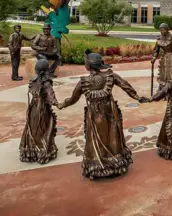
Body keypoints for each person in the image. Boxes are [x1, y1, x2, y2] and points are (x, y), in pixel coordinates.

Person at [58, 51, 150, 180]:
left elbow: (73, 99)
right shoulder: (111, 76)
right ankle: (115, 161)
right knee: (112, 134)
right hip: (110, 112)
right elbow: (126, 86)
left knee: (96, 137)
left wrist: (62, 104)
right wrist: (137, 97)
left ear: (88, 66)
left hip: (94, 115)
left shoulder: (84, 82)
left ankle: (98, 164)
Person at [19, 59, 59, 164]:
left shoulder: (33, 80)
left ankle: (31, 150)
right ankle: (43, 150)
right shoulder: (46, 82)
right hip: (42, 109)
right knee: (43, 128)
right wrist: (57, 103)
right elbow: (51, 96)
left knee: (32, 127)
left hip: (33, 108)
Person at [151, 23, 172, 94]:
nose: (162, 31)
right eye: (161, 30)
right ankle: (163, 89)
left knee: (171, 74)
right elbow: (156, 50)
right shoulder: (159, 38)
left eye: (164, 30)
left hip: (171, 57)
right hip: (163, 58)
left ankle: (171, 89)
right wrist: (154, 57)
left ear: (167, 30)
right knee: (163, 74)